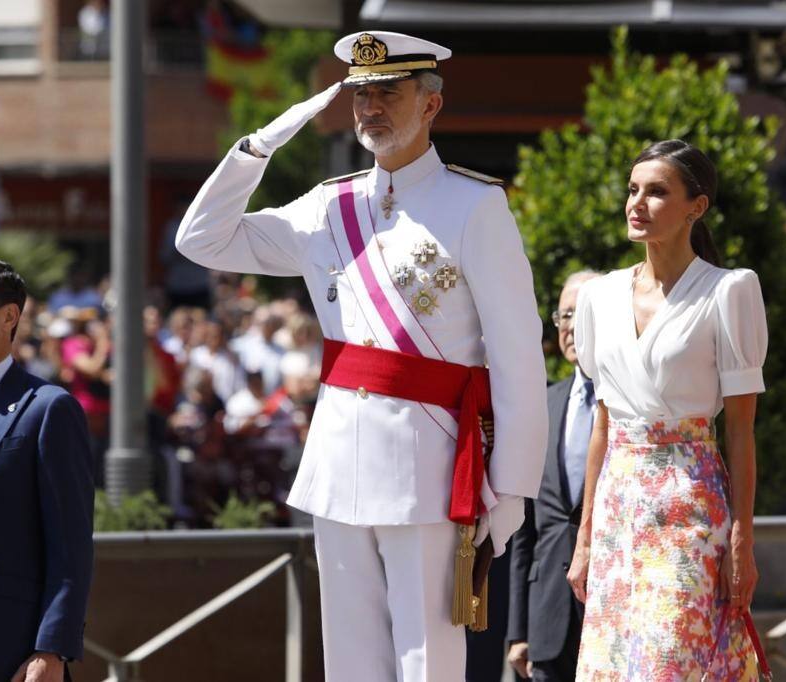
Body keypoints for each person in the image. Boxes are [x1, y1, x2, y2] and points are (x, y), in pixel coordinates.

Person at [176, 31, 547, 681]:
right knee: (348, 657)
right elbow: (202, 238)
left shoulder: (475, 205)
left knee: (426, 656)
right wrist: (261, 143)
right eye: (360, 95)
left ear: (430, 104)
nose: (370, 108)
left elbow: (517, 354)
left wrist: (511, 486)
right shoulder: (329, 205)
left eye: (388, 93)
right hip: (338, 459)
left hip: (428, 462)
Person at [566, 140, 769, 680]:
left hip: (691, 502)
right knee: (613, 665)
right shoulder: (598, 296)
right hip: (618, 505)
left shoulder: (729, 292)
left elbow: (743, 432)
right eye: (633, 190)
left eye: (657, 192)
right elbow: (601, 425)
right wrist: (585, 538)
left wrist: (742, 539)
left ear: (695, 207)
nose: (638, 202)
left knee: (670, 662)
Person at [0, 258, 94, 682]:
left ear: (9, 317)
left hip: (3, 654)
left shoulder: (48, 408)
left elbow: (70, 545)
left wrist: (52, 648)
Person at [508, 270, 599, 681]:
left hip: (613, 615)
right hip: (547, 623)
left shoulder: (636, 406)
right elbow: (525, 530)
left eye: (584, 314)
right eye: (564, 316)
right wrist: (518, 631)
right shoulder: (543, 404)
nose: (571, 327)